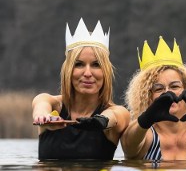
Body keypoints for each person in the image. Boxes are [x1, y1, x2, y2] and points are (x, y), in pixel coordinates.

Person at [32, 18, 130, 160]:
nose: (88, 73)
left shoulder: (118, 112)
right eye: (79, 64)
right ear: (68, 71)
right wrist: (44, 117)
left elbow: (113, 118)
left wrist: (100, 121)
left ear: (106, 72)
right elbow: (40, 105)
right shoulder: (52, 103)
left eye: (96, 65)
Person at [121, 36, 186, 161]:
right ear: (148, 96)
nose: (168, 94)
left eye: (175, 86)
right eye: (158, 89)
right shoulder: (145, 132)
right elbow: (128, 145)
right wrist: (147, 118)